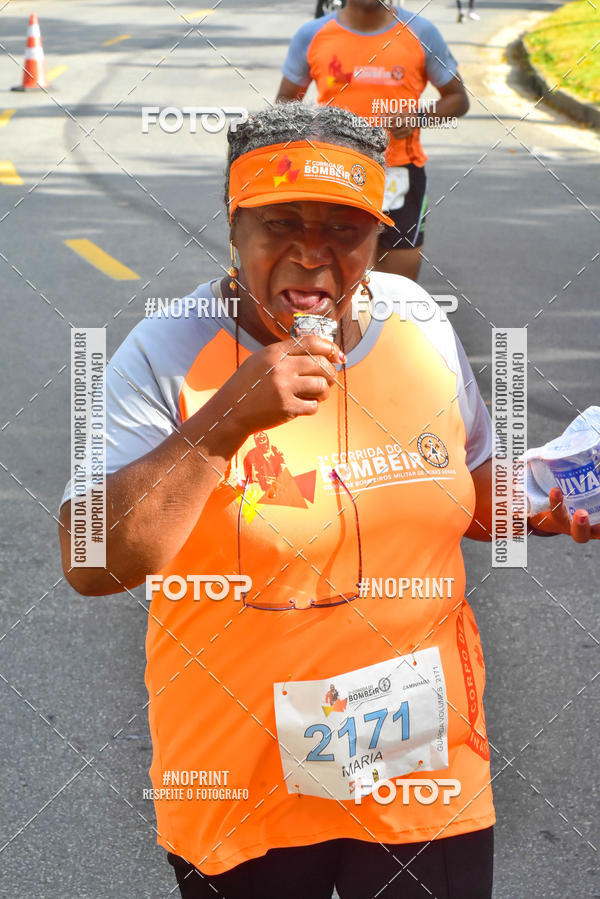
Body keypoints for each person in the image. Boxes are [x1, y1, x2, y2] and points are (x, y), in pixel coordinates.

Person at [58, 103, 599, 899]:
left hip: (421, 763)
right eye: (281, 223)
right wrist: (224, 422)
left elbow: (468, 492)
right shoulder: (166, 352)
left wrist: (541, 502)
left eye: (346, 228)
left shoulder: (418, 321)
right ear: (234, 226)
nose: (314, 254)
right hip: (242, 775)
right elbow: (90, 560)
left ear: (380, 239)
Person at [276, 0, 469, 282]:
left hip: (399, 174)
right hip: (335, 176)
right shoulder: (312, 35)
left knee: (397, 291)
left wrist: (418, 116)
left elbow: (458, 99)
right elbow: (284, 106)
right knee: (340, 287)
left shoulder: (421, 32)